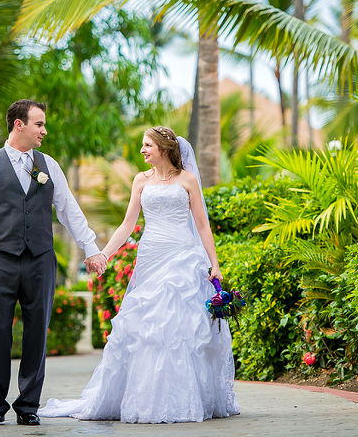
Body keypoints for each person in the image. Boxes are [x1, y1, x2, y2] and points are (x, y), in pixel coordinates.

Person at [38, 126, 240, 423]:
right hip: (151, 257)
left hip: (183, 256)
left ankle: (183, 399)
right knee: (148, 327)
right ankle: (145, 397)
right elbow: (127, 224)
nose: (143, 150)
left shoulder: (188, 180)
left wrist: (215, 264)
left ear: (164, 149)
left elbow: (202, 226)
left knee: (179, 329)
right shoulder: (140, 181)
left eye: (147, 145)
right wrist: (104, 254)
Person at [0, 99, 107, 427]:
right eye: (39, 124)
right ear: (19, 125)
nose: (44, 130)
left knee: (37, 333)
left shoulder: (49, 166)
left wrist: (91, 248)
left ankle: (28, 405)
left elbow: (69, 210)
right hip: (0, 259)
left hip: (41, 260)